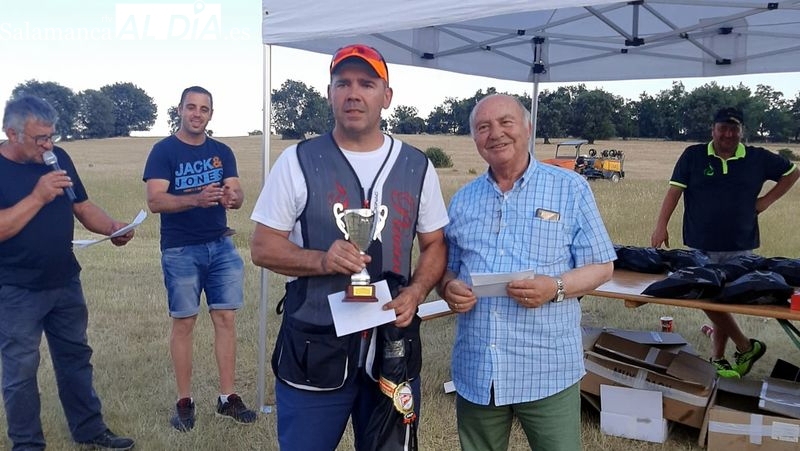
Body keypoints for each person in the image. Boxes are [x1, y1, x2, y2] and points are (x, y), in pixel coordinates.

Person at [250, 44, 448, 450]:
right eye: (343, 83)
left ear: (386, 96)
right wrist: (321, 259)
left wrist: (415, 291)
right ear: (330, 93)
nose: (353, 93)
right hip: (316, 345)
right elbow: (263, 248)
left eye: (366, 83)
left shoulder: (416, 165)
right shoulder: (298, 160)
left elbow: (434, 243)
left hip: (392, 347)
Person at [438, 94, 615, 451]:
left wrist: (557, 286)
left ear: (528, 128)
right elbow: (447, 270)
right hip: (479, 368)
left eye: (506, 123)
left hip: (545, 366)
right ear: (474, 138)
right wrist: (449, 287)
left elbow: (602, 265)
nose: (495, 134)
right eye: (483, 127)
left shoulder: (570, 188)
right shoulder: (463, 200)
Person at [0, 95, 136, 450]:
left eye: (52, 136)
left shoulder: (58, 158)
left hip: (64, 280)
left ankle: (90, 432)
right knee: (20, 372)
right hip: (15, 288)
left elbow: (81, 204)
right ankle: (27, 445)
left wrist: (112, 228)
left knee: (75, 358)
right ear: (11, 134)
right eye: (40, 139)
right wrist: (38, 196)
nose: (48, 146)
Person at [651, 106, 799, 378]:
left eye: (734, 129)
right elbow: (674, 192)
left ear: (742, 132)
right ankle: (745, 346)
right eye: (723, 128)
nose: (728, 134)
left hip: (740, 246)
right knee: (709, 298)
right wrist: (661, 225)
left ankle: (720, 357)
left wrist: (765, 202)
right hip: (700, 245)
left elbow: (792, 172)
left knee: (723, 301)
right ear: (713, 130)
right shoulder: (693, 155)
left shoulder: (757, 158)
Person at [143, 86, 256, 431]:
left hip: (221, 247)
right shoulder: (164, 151)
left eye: (204, 109)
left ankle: (227, 397)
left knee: (225, 320)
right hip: (180, 249)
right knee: (185, 322)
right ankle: (184, 401)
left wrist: (232, 197)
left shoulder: (221, 151)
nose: (197, 114)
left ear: (211, 114)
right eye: (191, 107)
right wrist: (195, 198)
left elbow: (236, 194)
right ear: (179, 110)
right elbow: (155, 201)